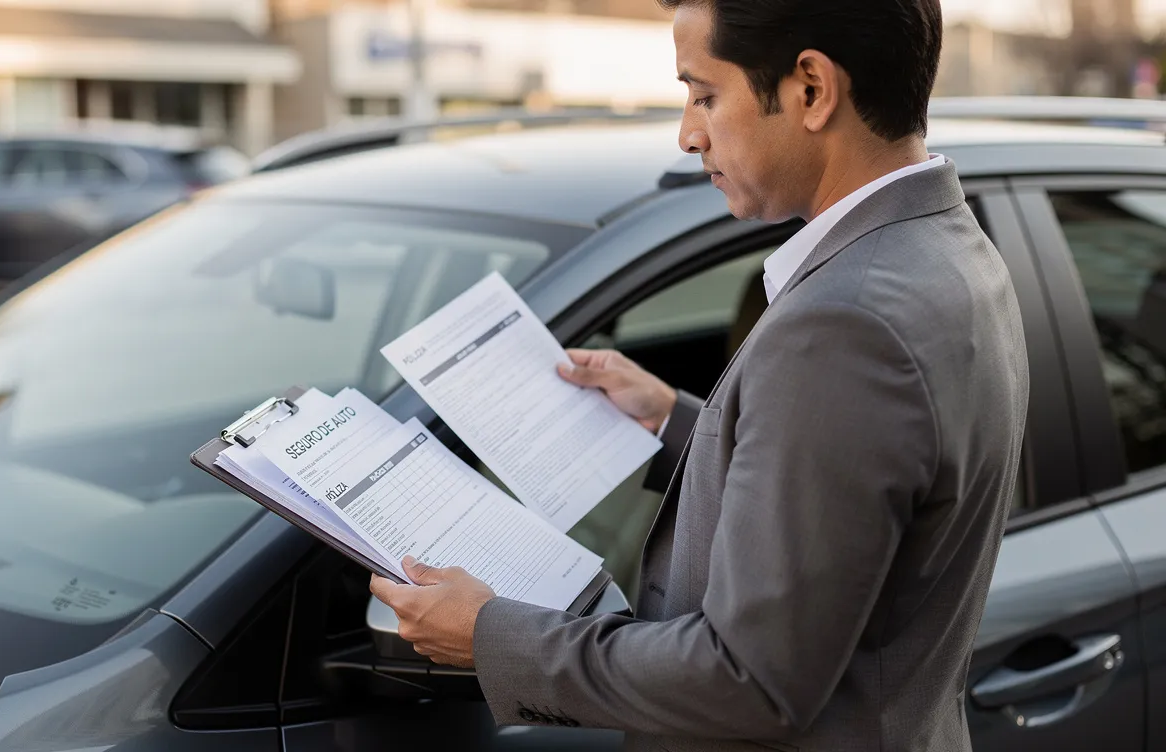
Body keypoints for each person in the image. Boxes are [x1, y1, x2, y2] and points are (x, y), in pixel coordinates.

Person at [369, 0, 1031, 749]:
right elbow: (860, 492)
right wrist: (678, 420)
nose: (689, 133)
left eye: (705, 94)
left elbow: (748, 680)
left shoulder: (843, 324)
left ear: (811, 88)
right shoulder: (947, 249)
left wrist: (492, 636)